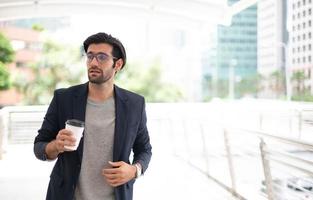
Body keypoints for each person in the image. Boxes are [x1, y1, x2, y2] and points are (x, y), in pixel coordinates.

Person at [34, 32, 152, 200]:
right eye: (90, 56)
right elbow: (39, 147)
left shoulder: (134, 104)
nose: (93, 63)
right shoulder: (64, 99)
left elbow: (144, 149)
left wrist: (134, 170)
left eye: (102, 57)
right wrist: (56, 146)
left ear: (117, 64)